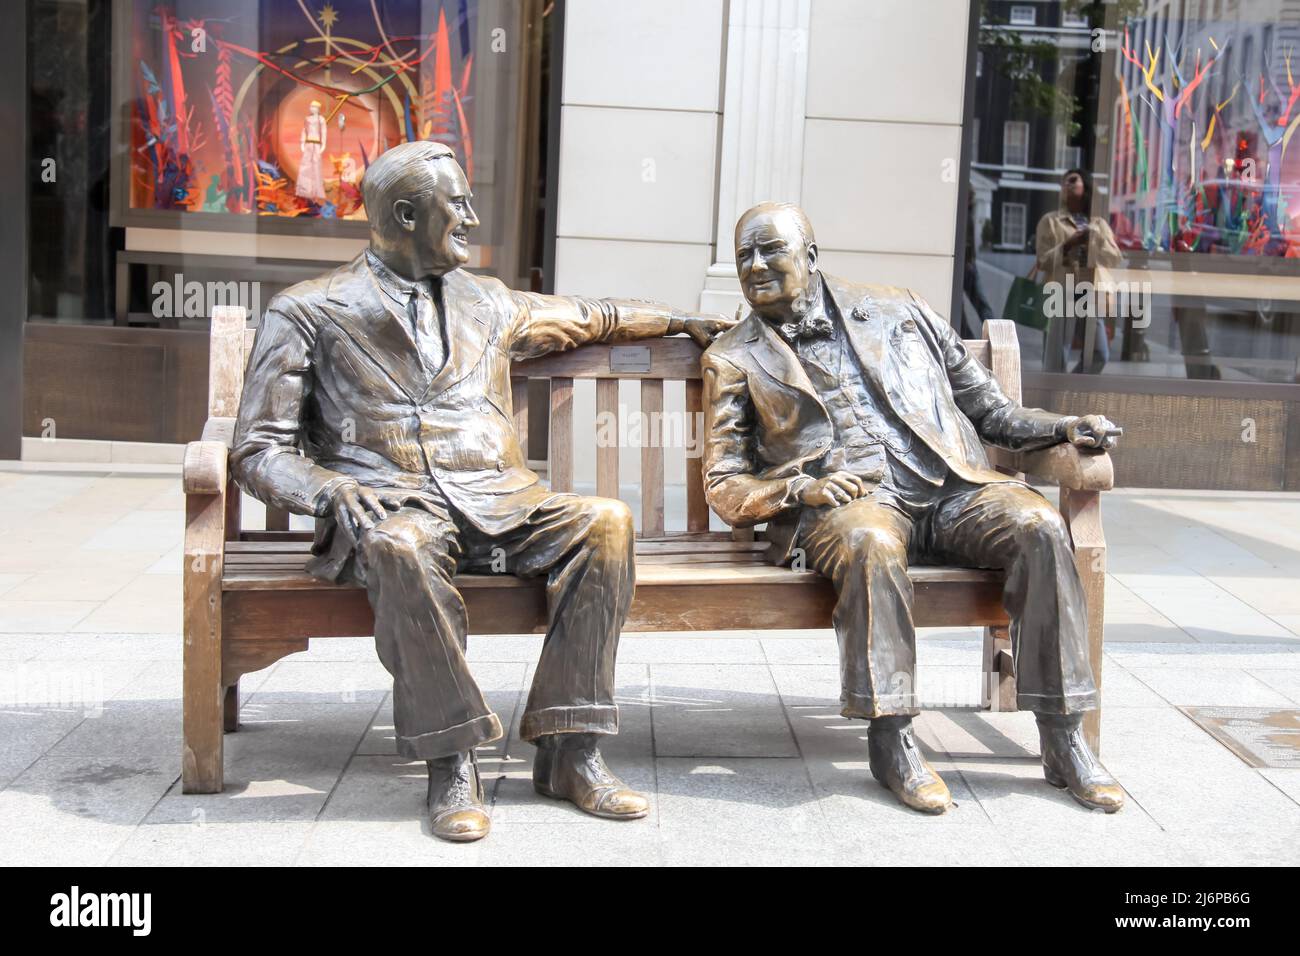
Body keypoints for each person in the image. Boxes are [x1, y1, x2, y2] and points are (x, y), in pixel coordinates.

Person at [233, 141, 730, 841]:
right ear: (406, 215)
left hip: (502, 502)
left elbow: (592, 316)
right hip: (392, 505)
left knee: (606, 522)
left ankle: (570, 748)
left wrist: (678, 320)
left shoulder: (488, 302)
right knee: (400, 546)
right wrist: (327, 489)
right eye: (455, 203)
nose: (470, 216)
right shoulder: (310, 311)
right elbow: (257, 449)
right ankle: (452, 759)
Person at [701, 201, 1125, 815]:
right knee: (873, 543)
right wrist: (797, 490)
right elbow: (724, 484)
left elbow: (991, 411)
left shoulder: (899, 308)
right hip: (848, 505)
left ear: (811, 259)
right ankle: (891, 735)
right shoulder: (732, 356)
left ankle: (1063, 739)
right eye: (745, 256)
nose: (757, 265)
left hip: (948, 488)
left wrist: (1065, 427)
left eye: (772, 251)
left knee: (1038, 523)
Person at [1035, 168, 1122, 373]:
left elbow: (1114, 258)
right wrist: (1069, 244)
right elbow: (1042, 261)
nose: (1067, 185)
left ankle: (1071, 391)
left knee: (1100, 353)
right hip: (1060, 292)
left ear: (1086, 187)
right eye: (1064, 182)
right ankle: (1054, 398)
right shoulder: (1050, 221)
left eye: (1073, 180)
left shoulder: (1098, 223)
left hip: (1090, 294)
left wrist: (1095, 240)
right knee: (1056, 359)